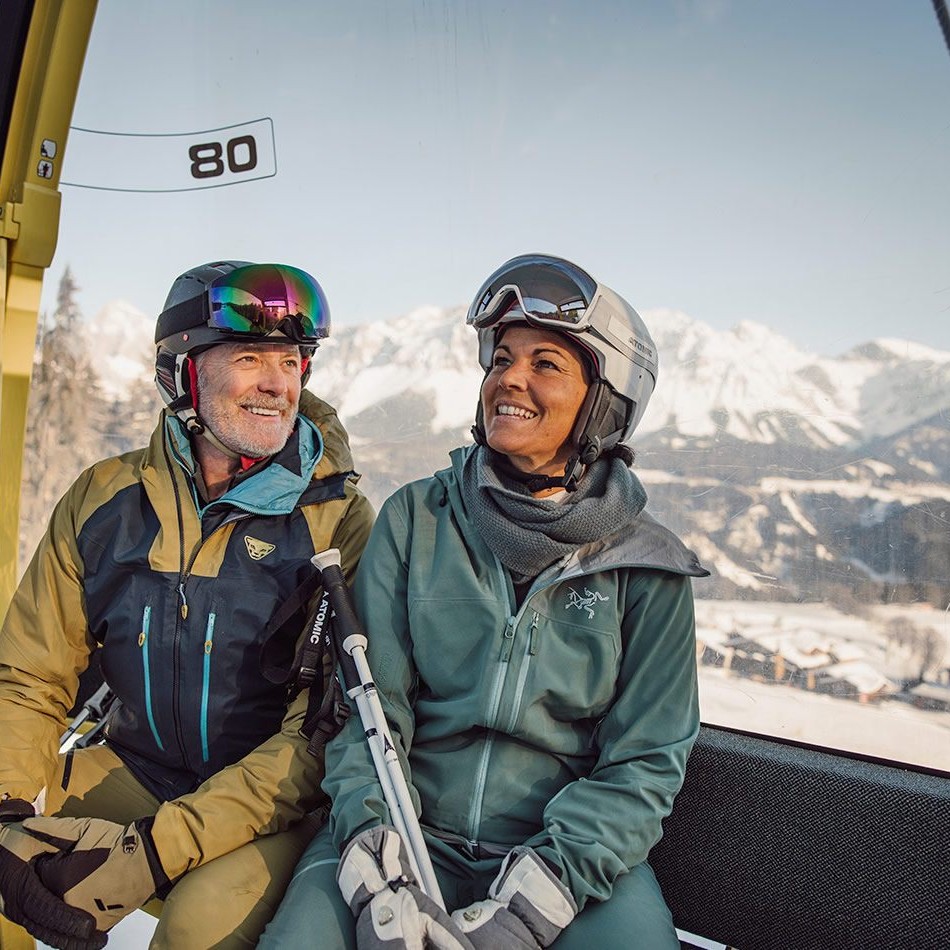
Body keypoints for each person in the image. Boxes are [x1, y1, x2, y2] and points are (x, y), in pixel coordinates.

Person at [261, 253, 709, 949]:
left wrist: (539, 899)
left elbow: (645, 761)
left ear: (604, 401)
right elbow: (366, 713)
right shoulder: (418, 520)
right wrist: (379, 865)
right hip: (404, 831)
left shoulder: (646, 567)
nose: (510, 378)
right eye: (501, 359)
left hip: (566, 857)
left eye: (545, 363)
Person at [0, 261, 374, 949]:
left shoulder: (336, 524)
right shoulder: (106, 501)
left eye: (291, 361)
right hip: (135, 769)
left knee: (197, 926)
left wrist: (153, 851)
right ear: (183, 373)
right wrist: (7, 810)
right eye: (250, 358)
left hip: (268, 808)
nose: (278, 384)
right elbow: (30, 676)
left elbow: (316, 736)